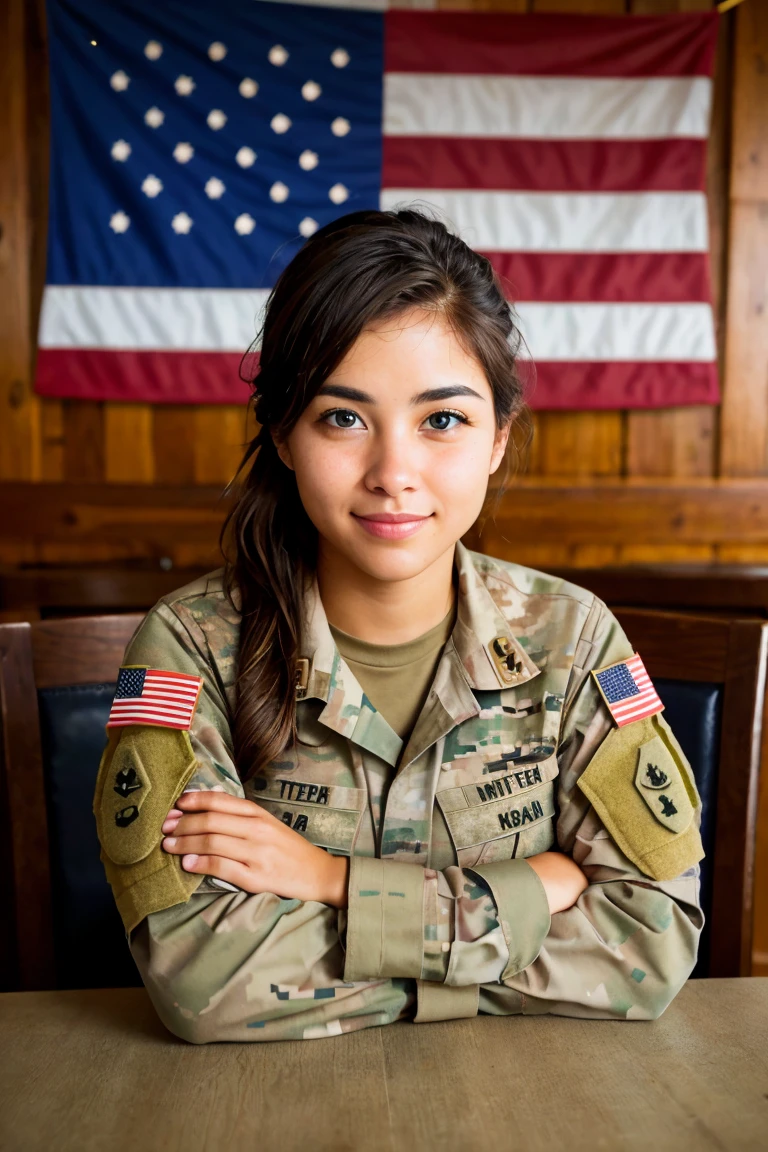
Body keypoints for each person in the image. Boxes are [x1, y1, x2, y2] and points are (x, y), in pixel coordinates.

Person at [93, 208, 704, 1043]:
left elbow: (651, 943)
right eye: (343, 418)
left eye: (442, 420)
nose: (393, 474)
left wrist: (332, 882)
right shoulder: (192, 646)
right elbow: (205, 979)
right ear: (283, 434)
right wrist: (541, 888)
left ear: (498, 438)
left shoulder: (573, 635)